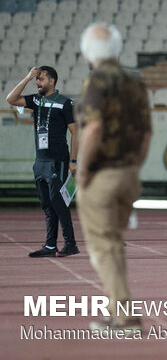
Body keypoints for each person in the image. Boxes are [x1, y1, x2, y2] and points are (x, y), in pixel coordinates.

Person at [76, 22, 151, 331]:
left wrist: (81, 170)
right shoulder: (135, 82)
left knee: (103, 248)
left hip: (102, 175)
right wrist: (134, 166)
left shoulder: (96, 81)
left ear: (88, 51)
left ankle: (124, 316)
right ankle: (118, 309)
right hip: (129, 174)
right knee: (114, 243)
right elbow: (146, 133)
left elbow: (93, 128)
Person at [6, 66, 79, 258]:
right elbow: (11, 99)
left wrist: (73, 160)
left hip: (58, 161)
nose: (37, 83)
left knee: (58, 202)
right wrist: (28, 77)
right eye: (37, 80)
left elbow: (75, 132)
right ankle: (50, 245)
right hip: (40, 162)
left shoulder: (65, 103)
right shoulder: (36, 100)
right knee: (47, 204)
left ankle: (70, 244)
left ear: (52, 81)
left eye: (41, 79)